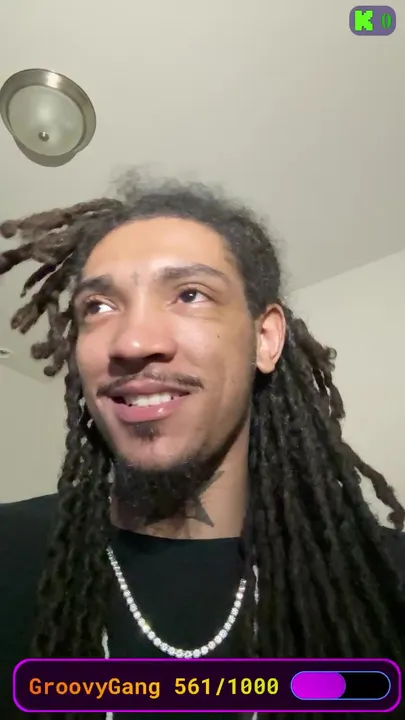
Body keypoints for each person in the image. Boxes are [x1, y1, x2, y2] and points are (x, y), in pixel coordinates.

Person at [0, 176, 404, 720]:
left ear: (265, 339)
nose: (133, 342)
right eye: (98, 306)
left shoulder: (384, 584)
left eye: (190, 294)